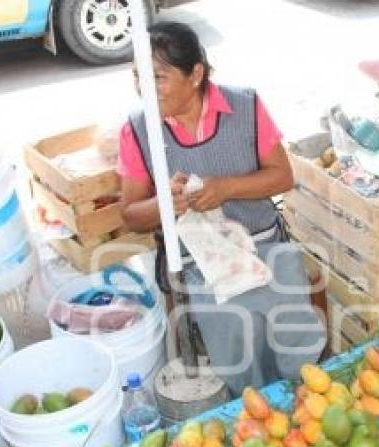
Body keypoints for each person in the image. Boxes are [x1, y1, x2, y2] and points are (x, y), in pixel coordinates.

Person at [118, 21, 325, 395]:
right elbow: (131, 215)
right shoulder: (136, 130)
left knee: (297, 349)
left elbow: (282, 177)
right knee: (240, 362)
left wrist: (226, 188)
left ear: (195, 73)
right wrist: (166, 201)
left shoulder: (244, 106)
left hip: (265, 248)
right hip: (202, 265)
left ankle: (304, 404)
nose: (144, 87)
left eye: (158, 77)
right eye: (138, 76)